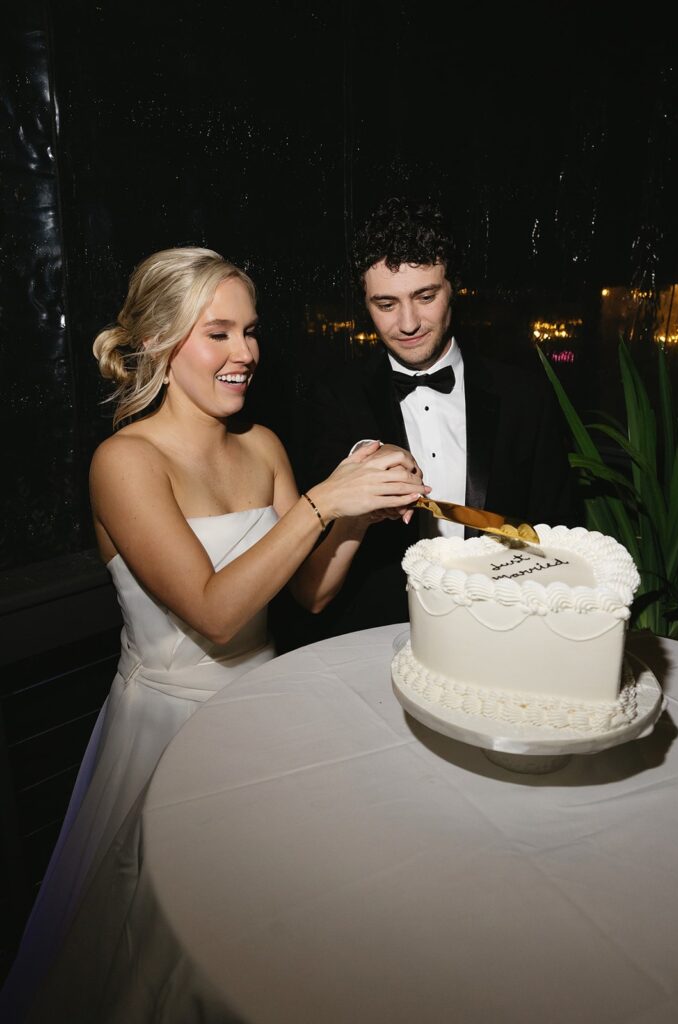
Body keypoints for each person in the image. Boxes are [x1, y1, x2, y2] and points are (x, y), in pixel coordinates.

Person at [0, 246, 427, 1023]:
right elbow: (213, 611)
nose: (246, 354)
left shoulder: (260, 447)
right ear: (161, 341)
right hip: (168, 728)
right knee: (154, 954)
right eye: (219, 334)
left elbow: (311, 591)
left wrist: (359, 511)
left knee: (268, 939)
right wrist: (325, 503)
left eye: (251, 332)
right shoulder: (124, 461)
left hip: (265, 715)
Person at [301, 196, 580, 640]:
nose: (408, 322)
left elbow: (562, 532)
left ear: (454, 288)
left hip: (504, 632)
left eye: (425, 296)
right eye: (386, 304)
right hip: (377, 641)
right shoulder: (332, 396)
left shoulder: (524, 394)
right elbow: (312, 547)